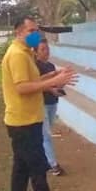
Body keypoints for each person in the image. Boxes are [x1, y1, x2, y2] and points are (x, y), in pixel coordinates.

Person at [1, 17, 79, 191]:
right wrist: (54, 81)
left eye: (36, 30)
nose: (35, 34)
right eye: (31, 31)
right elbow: (22, 88)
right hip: (24, 123)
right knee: (38, 170)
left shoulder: (26, 53)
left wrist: (53, 76)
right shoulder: (18, 55)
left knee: (20, 171)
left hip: (26, 120)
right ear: (19, 32)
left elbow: (32, 82)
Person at [35, 38, 66, 176]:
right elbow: (37, 85)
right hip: (41, 103)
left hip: (52, 102)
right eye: (43, 49)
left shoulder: (51, 66)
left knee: (45, 133)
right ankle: (53, 164)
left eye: (47, 48)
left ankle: (44, 158)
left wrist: (62, 83)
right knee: (46, 134)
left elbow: (55, 84)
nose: (46, 51)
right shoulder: (35, 67)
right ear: (36, 52)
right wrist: (50, 88)